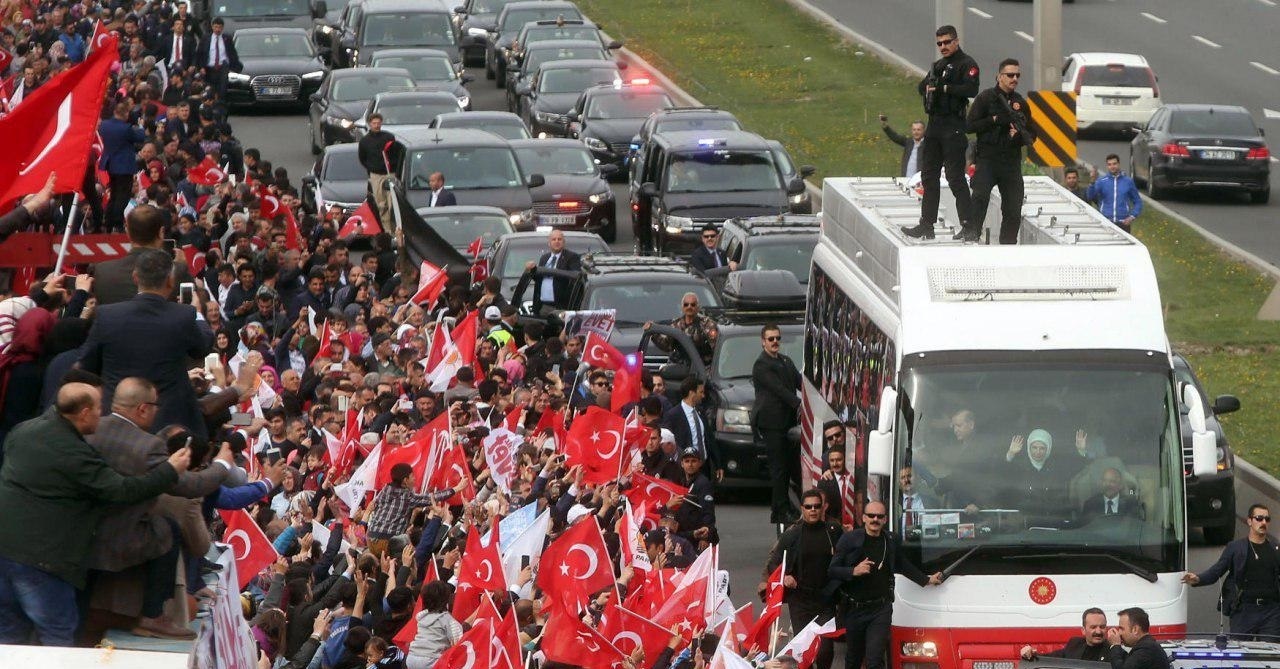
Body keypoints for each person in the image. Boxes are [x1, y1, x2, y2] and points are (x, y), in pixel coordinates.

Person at [0, 382, 190, 646]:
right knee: (57, 634)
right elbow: (121, 490)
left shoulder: (23, 431)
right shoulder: (73, 453)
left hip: (6, 550)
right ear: (85, 412)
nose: (103, 415)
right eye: (100, 408)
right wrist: (170, 470)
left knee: (10, 636)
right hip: (43, 562)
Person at [85, 378, 231, 640]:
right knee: (167, 528)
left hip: (82, 529)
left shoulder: (91, 429)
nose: (157, 412)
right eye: (155, 406)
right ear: (142, 408)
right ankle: (153, 615)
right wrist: (223, 465)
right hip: (116, 538)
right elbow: (190, 485)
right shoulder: (146, 445)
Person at [79, 248, 214, 433]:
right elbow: (203, 346)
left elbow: (86, 365)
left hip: (118, 424)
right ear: (170, 281)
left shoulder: (107, 315)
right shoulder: (183, 315)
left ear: (135, 277)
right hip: (169, 425)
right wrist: (198, 313)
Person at [825, 501, 942, 669]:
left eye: (879, 516)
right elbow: (832, 570)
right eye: (871, 516)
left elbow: (903, 564)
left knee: (874, 660)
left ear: (885, 519)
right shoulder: (849, 539)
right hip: (854, 609)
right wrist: (853, 571)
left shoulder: (891, 540)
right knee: (853, 659)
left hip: (880, 609)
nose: (875, 519)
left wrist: (926, 579)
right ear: (864, 518)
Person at [903, 25, 979, 241]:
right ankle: (927, 224)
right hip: (935, 126)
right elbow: (922, 86)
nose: (943, 47)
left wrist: (945, 88)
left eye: (947, 42)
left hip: (953, 127)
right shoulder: (938, 66)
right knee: (929, 177)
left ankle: (969, 225)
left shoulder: (967, 64)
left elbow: (971, 90)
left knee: (955, 177)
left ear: (956, 41)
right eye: (939, 43)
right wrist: (929, 86)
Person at [761, 488, 843, 669]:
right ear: (802, 509)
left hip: (825, 599)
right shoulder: (791, 535)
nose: (813, 510)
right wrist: (785, 577)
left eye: (816, 506)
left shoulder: (833, 531)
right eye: (808, 506)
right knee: (803, 649)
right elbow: (773, 564)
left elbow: (846, 557)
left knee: (825, 649)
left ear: (823, 508)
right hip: (800, 600)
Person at [1183, 504, 1280, 638]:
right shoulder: (1236, 548)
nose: (1263, 522)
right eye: (1259, 518)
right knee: (1241, 652)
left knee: (1270, 653)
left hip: (1271, 612)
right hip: (1244, 611)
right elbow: (1217, 570)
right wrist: (1198, 579)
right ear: (1249, 521)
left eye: (1266, 519)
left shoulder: (1275, 549)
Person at [965, 58, 1034, 245]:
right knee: (979, 198)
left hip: (1010, 162)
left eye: (1017, 75)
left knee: (1013, 207)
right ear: (999, 76)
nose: (1014, 79)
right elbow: (969, 126)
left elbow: (1032, 133)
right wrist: (995, 120)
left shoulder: (1020, 103)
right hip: (988, 158)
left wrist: (1017, 136)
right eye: (1010, 75)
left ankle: (1008, 245)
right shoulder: (986, 98)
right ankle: (971, 236)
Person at [93, 204, 197, 306]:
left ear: (127, 232)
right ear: (161, 232)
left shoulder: (102, 272)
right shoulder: (177, 271)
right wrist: (182, 267)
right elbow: (194, 306)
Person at [752, 323, 801, 524]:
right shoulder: (761, 365)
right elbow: (778, 389)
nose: (775, 342)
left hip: (788, 423)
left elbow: (800, 381)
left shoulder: (786, 361)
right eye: (771, 339)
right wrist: (798, 403)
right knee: (779, 468)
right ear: (763, 341)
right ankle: (779, 510)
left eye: (777, 338)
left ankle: (786, 504)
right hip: (772, 423)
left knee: (791, 466)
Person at [662, 376, 722, 482]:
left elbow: (709, 439)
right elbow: (668, 443)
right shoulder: (673, 415)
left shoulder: (700, 412)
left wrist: (718, 464)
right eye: (701, 392)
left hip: (704, 468)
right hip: (684, 470)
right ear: (691, 393)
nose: (703, 396)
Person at [99, 101, 147, 232]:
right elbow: (140, 137)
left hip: (110, 164)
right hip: (123, 166)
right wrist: (141, 126)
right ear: (125, 114)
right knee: (122, 195)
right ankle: (117, 222)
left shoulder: (104, 125)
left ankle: (108, 221)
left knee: (114, 194)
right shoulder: (126, 129)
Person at [649, 292, 718, 368]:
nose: (689, 307)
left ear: (698, 307)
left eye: (693, 304)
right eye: (686, 304)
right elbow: (667, 345)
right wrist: (653, 332)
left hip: (702, 370)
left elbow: (717, 349)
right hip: (680, 368)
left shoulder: (707, 324)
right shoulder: (676, 324)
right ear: (682, 307)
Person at [1020, 608, 1110, 662]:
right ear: (1083, 630)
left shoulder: (1113, 649)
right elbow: (1049, 659)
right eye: (1093, 627)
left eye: (1102, 627)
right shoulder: (1075, 644)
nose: (1098, 631)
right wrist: (1030, 653)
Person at [358, 113, 398, 233]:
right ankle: (387, 231)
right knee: (381, 205)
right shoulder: (365, 141)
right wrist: (372, 168)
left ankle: (396, 229)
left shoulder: (389, 137)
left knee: (393, 204)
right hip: (376, 175)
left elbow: (395, 153)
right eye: (374, 123)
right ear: (370, 124)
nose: (376, 125)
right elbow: (362, 158)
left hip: (390, 174)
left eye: (378, 123)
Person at [524, 230, 581, 311]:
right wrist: (532, 269)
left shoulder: (572, 257)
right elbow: (539, 279)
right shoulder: (544, 258)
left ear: (564, 242)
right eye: (554, 239)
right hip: (543, 306)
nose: (557, 241)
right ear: (549, 243)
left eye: (559, 239)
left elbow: (575, 277)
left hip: (561, 307)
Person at [1087, 155, 1142, 233]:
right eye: (1109, 164)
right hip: (1105, 223)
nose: (1112, 166)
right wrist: (1092, 181)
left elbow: (1138, 201)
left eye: (1114, 164)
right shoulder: (1101, 181)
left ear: (1119, 164)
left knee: (1123, 245)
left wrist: (1132, 216)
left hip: (1123, 223)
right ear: (1107, 166)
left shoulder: (1128, 181)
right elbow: (1090, 196)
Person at [197, 17, 241, 99]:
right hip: (209, 69)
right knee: (210, 91)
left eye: (220, 27)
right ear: (212, 27)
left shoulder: (227, 39)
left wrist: (233, 67)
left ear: (222, 28)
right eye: (216, 27)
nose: (217, 29)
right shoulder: (206, 38)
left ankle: (221, 107)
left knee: (222, 90)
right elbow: (200, 54)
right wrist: (201, 67)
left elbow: (232, 54)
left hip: (222, 68)